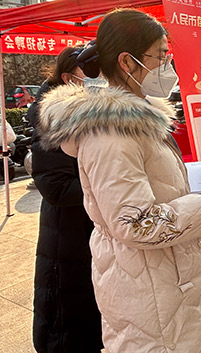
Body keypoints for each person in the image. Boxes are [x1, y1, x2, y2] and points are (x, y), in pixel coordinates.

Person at [37, 9, 201, 353]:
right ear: (128, 62)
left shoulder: (137, 119)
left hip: (167, 283)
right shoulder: (111, 132)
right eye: (162, 56)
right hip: (149, 294)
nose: (169, 66)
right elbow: (136, 222)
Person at [29, 47, 104, 353]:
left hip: (89, 231)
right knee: (66, 323)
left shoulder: (88, 115)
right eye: (91, 75)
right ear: (69, 79)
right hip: (66, 238)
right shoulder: (52, 120)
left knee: (88, 316)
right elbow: (57, 189)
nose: (98, 82)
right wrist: (107, 188)